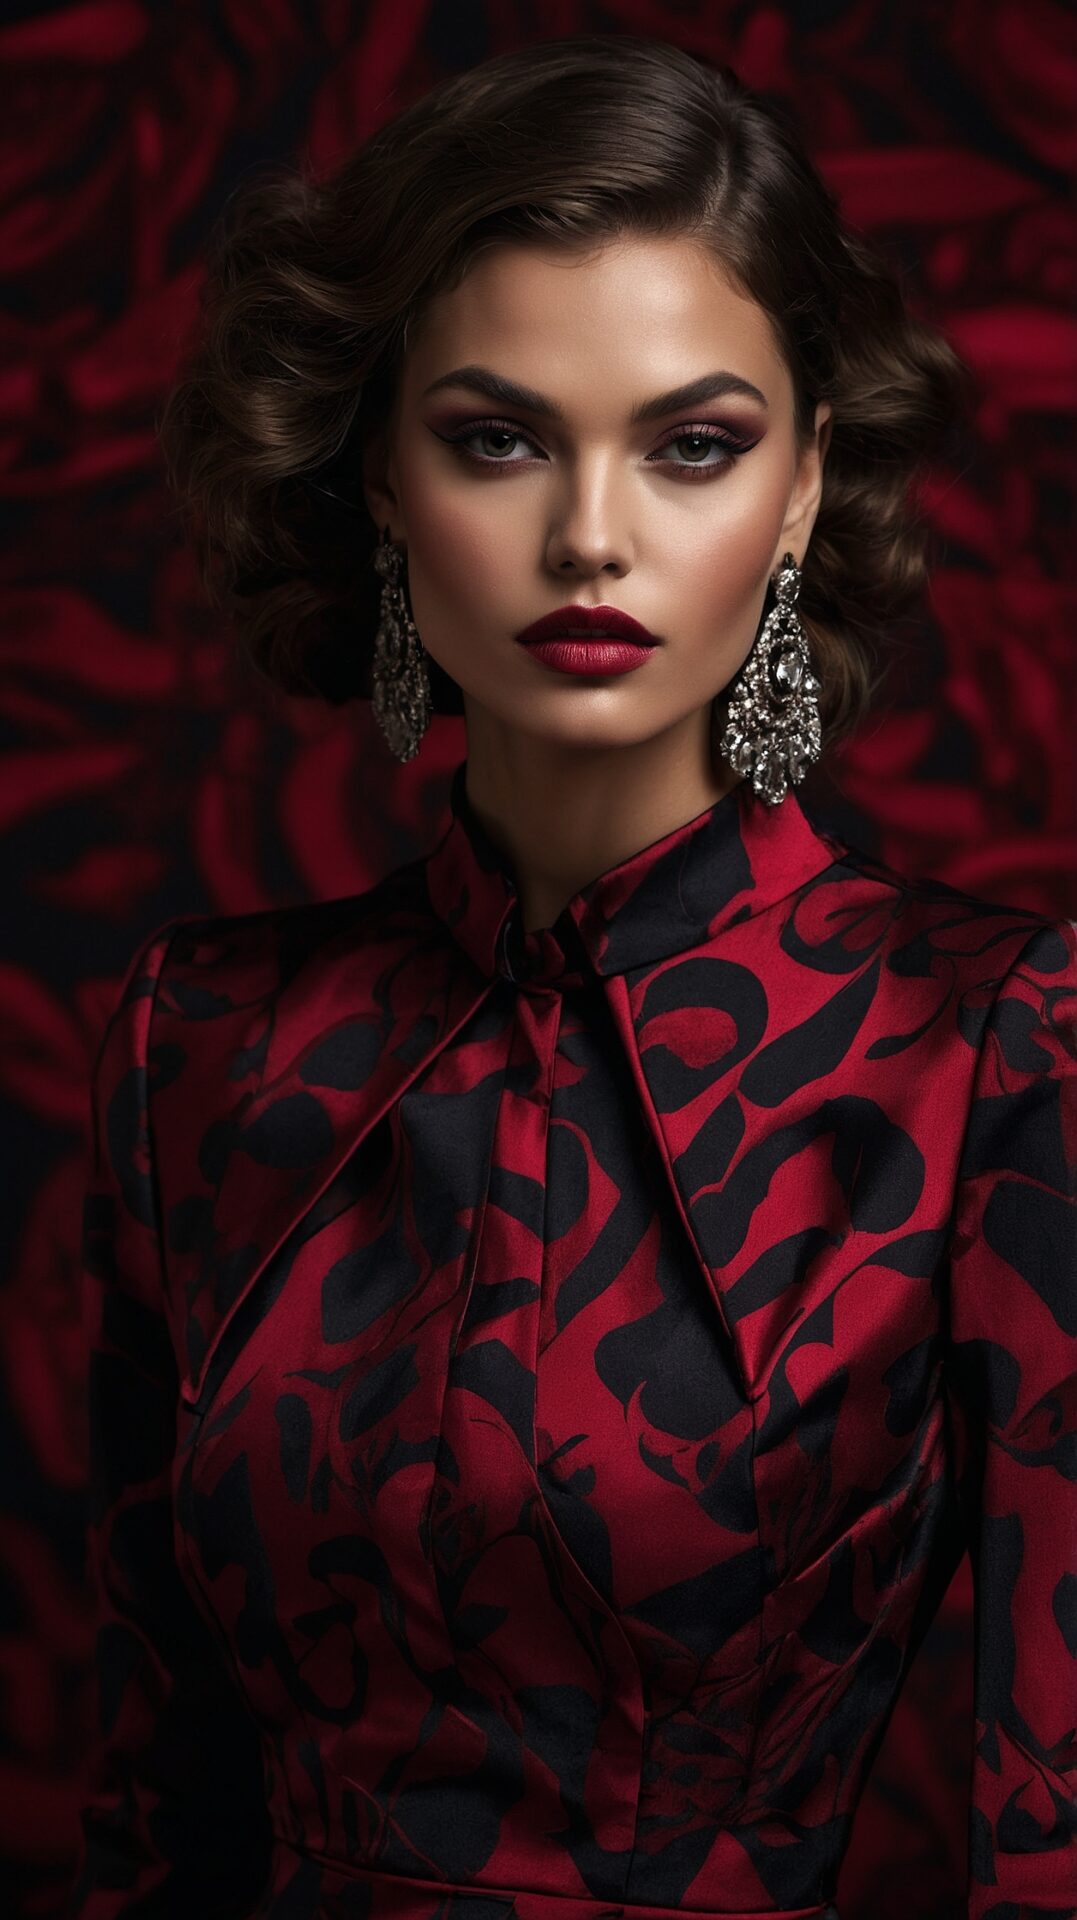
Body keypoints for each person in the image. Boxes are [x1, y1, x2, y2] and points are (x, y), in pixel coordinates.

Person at [71, 32, 1076, 1920]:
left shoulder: (990, 1050)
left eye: (691, 445)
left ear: (797, 492)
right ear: (378, 476)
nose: (590, 536)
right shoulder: (195, 1044)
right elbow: (146, 1794)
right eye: (497, 436)